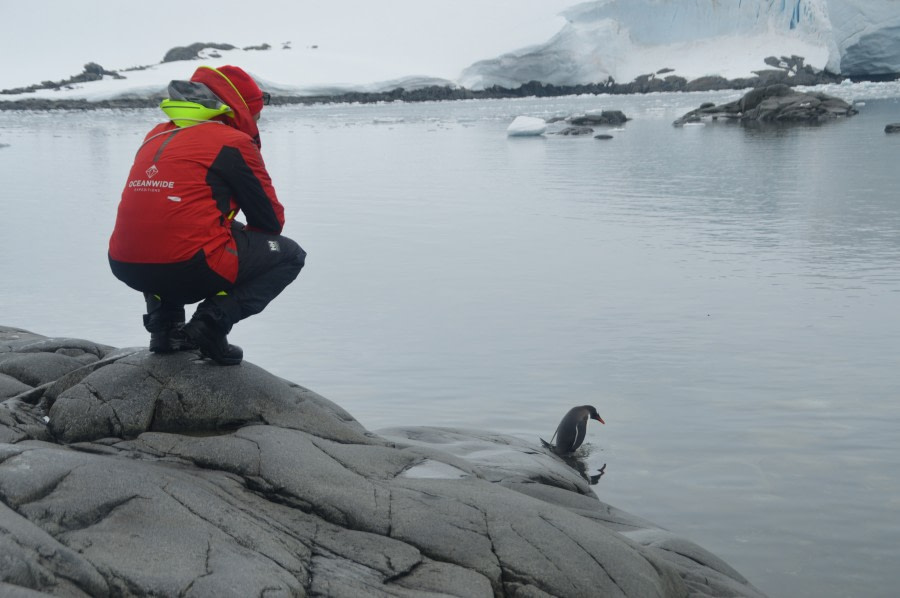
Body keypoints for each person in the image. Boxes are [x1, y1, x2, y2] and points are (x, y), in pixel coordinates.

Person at [108, 65, 306, 365]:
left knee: (166, 228)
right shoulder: (231, 142)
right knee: (290, 255)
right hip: (190, 265)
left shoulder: (155, 135)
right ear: (240, 110)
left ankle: (166, 329)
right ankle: (210, 325)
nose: (258, 122)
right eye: (257, 115)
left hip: (125, 263)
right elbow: (269, 222)